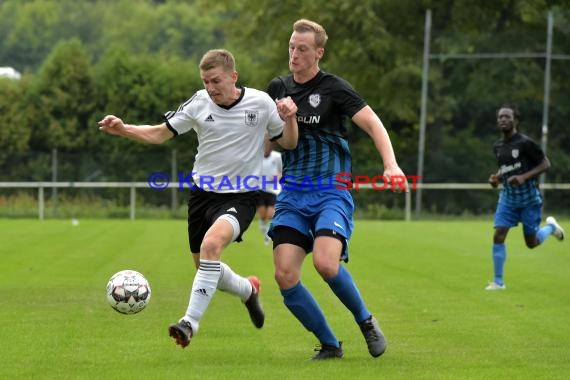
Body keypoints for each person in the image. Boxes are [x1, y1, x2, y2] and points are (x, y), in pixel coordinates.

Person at [98, 49, 298, 348]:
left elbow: (290, 142)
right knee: (205, 266)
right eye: (206, 81)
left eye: (216, 81)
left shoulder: (261, 102)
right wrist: (124, 129)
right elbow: (158, 134)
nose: (211, 88)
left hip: (242, 195)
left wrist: (291, 119)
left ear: (234, 76)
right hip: (202, 196)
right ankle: (247, 290)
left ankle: (188, 323)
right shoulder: (199, 101)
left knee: (211, 246)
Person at [265, 19, 408, 360]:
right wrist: (283, 119)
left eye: (302, 49)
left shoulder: (335, 88)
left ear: (319, 52)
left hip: (331, 189)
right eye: (291, 47)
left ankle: (366, 321)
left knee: (326, 263)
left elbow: (373, 123)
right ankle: (330, 343)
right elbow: (274, 145)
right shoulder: (277, 88)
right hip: (293, 193)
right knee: (284, 274)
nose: (294, 54)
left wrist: (391, 165)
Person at [486, 103, 564, 291]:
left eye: (507, 116)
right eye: (500, 117)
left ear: (515, 120)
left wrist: (523, 177)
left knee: (532, 243)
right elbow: (505, 169)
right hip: (508, 199)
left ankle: (551, 227)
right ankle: (498, 282)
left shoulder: (525, 143)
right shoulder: (497, 147)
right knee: (498, 234)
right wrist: (496, 179)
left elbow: (546, 164)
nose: (503, 119)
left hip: (529, 199)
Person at [257, 146, 282, 245]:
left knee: (270, 215)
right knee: (263, 215)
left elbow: (282, 170)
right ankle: (264, 227)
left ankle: (268, 235)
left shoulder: (277, 156)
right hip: (260, 188)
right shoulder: (257, 157)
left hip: (273, 190)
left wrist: (278, 177)